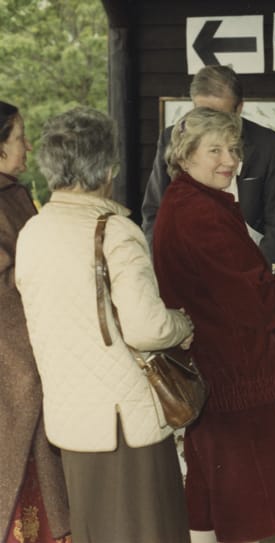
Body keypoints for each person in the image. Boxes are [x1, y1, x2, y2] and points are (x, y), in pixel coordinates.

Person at [14, 107, 194, 543]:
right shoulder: (114, 231)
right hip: (126, 421)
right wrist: (181, 324)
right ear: (107, 168)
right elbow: (146, 327)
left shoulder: (33, 232)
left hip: (73, 420)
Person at [152, 107, 275, 543]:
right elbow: (250, 295)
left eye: (234, 149)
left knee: (208, 487)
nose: (230, 159)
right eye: (216, 150)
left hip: (215, 367)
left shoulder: (190, 202)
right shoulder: (199, 212)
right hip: (233, 372)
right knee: (248, 503)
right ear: (185, 156)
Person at [142, 64, 275, 273]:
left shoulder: (267, 145)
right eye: (201, 112)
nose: (210, 123)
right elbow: (154, 212)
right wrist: (163, 267)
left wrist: (257, 277)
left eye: (220, 115)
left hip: (252, 264)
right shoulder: (172, 138)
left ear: (239, 109)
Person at [0, 101, 71, 543]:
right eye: (19, 137)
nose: (28, 146)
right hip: (13, 355)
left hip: (32, 347)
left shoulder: (14, 192)